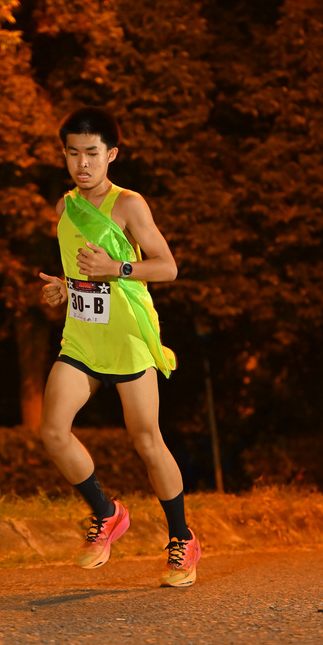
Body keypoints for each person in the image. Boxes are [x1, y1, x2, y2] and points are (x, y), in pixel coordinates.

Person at [39, 107, 201, 587]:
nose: (82, 163)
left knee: (147, 441)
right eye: (73, 153)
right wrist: (63, 288)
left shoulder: (129, 204)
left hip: (127, 337)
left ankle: (182, 538)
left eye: (92, 153)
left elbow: (167, 267)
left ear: (111, 154)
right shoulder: (65, 208)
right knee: (53, 432)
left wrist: (118, 268)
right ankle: (107, 512)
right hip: (83, 337)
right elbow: (80, 270)